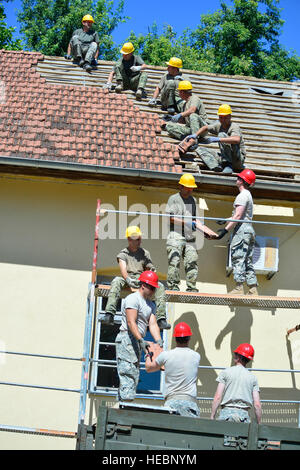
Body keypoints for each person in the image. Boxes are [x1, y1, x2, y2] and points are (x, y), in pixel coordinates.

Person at [102, 226, 170, 329]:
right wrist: (128, 279)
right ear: (129, 240)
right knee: (116, 281)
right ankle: (109, 314)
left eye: (139, 239)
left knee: (159, 286)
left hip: (141, 278)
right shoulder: (123, 254)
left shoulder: (144, 253)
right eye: (136, 239)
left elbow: (149, 266)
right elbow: (123, 269)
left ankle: (161, 319)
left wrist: (151, 270)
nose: (139, 241)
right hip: (127, 278)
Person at [115, 270, 163, 402]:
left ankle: (123, 404)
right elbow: (131, 322)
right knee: (128, 373)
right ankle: (125, 406)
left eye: (154, 288)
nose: (153, 291)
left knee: (133, 375)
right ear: (143, 285)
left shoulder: (150, 304)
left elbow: (152, 324)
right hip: (127, 339)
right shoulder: (133, 299)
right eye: (152, 287)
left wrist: (158, 340)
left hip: (136, 341)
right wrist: (141, 339)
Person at [165, 173, 217, 292]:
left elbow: (195, 219)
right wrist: (187, 223)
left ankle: (192, 287)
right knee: (175, 259)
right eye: (187, 188)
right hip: (176, 234)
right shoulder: (174, 199)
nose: (189, 191)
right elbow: (170, 218)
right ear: (181, 187)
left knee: (192, 260)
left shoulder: (193, 200)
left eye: (191, 189)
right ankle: (173, 286)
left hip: (189, 235)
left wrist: (205, 232)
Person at [215, 169, 258, 295]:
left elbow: (238, 216)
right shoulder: (248, 195)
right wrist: (225, 220)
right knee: (247, 260)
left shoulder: (242, 195)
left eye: (239, 177)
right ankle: (253, 288)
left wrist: (225, 230)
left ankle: (239, 288)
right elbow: (240, 215)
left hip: (242, 230)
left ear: (243, 181)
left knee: (238, 257)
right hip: (248, 229)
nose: (237, 179)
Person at [145, 322, 200, 417]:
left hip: (171, 403)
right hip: (190, 403)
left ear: (175, 338)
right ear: (189, 338)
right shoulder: (196, 356)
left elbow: (149, 368)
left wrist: (148, 353)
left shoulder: (166, 355)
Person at [186, 104, 246, 174]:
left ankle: (228, 164)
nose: (223, 120)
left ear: (230, 117)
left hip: (237, 160)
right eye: (221, 117)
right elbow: (205, 127)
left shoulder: (234, 127)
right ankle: (216, 167)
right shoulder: (219, 125)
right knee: (200, 149)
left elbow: (236, 140)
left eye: (225, 118)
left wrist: (218, 139)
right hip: (225, 158)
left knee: (222, 134)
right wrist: (195, 135)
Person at [211, 343, 262, 424]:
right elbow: (257, 405)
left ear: (238, 357)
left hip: (226, 415)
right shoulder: (253, 378)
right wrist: (259, 424)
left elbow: (217, 397)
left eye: (235, 354)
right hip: (243, 417)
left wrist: (212, 416)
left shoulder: (225, 372)